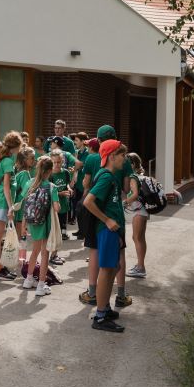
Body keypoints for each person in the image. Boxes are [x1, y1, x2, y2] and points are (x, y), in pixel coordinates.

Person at [78, 126, 133, 309]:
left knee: (110, 265)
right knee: (108, 268)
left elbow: (87, 184)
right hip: (106, 226)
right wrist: (107, 220)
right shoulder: (106, 176)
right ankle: (104, 310)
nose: (124, 158)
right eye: (122, 155)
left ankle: (100, 303)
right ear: (111, 156)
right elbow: (89, 201)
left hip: (110, 227)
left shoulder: (101, 167)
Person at [22, 155, 60, 297]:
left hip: (33, 223)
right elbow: (57, 208)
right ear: (50, 171)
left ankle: (28, 279)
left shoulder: (30, 183)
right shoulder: (52, 187)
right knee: (45, 254)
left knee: (35, 251)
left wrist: (24, 225)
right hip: (46, 224)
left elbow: (25, 204)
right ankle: (41, 285)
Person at [0, 131, 22, 281]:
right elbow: (6, 186)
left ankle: (0, 266)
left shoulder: (4, 159)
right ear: (16, 146)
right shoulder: (7, 161)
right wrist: (10, 207)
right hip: (2, 203)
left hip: (0, 201)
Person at [125, 153, 149, 279]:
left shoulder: (133, 177)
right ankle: (140, 265)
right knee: (140, 238)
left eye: (126, 162)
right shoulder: (141, 175)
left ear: (133, 164)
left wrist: (124, 202)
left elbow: (134, 194)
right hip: (143, 210)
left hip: (139, 211)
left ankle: (140, 268)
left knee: (137, 238)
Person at [12, 147, 36, 275]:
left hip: (17, 208)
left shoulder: (19, 172)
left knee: (19, 236)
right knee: (22, 237)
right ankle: (21, 263)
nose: (34, 160)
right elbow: (27, 192)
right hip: (22, 209)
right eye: (32, 158)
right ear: (25, 159)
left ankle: (19, 261)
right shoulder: (25, 174)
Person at [48, 149, 73, 267]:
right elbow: (48, 192)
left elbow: (67, 184)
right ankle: (52, 255)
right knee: (54, 232)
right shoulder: (50, 175)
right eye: (54, 162)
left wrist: (69, 189)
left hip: (64, 206)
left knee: (61, 232)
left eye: (59, 162)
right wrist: (60, 193)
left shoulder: (66, 172)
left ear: (62, 161)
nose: (57, 164)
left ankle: (55, 254)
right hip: (54, 207)